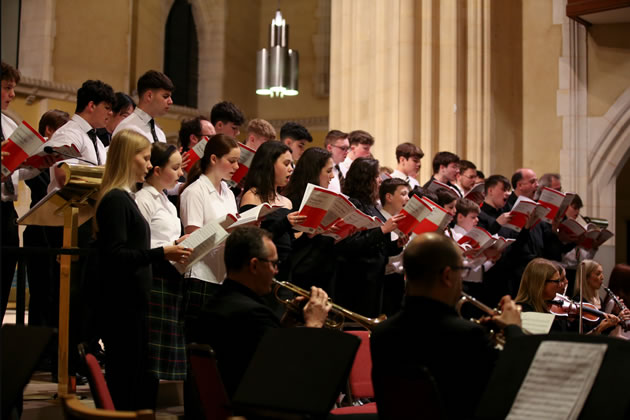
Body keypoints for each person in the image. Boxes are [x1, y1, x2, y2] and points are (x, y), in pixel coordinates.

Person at [370, 232, 522, 420]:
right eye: (462, 271)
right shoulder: (467, 337)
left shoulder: (381, 333)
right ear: (447, 275)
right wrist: (514, 329)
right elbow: (512, 384)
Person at [95, 129, 191, 410]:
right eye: (145, 158)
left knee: (137, 375)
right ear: (128, 158)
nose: (150, 165)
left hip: (134, 299)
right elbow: (115, 254)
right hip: (122, 301)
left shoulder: (123, 198)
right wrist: (164, 251)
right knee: (126, 378)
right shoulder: (116, 199)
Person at [189, 226, 331, 397]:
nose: (276, 271)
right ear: (254, 265)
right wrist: (314, 324)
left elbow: (261, 353)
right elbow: (294, 371)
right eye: (274, 264)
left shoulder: (216, 304)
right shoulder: (252, 314)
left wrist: (285, 325)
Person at [135, 142, 189, 384]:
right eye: (175, 167)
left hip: (170, 275)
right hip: (154, 275)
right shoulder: (143, 198)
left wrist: (181, 241)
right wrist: (169, 248)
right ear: (156, 170)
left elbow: (164, 237)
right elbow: (141, 244)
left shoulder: (166, 201)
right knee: (149, 356)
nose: (181, 173)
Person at [335, 157, 406, 317]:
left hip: (374, 277)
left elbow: (380, 248)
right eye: (376, 176)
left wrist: (396, 246)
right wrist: (383, 230)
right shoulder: (352, 205)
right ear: (365, 180)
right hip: (357, 279)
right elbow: (350, 244)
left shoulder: (371, 206)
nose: (380, 180)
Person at [180, 134, 240, 318]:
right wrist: (225, 233)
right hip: (200, 275)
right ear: (214, 159)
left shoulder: (228, 193)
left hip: (222, 274)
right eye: (232, 161)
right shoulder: (194, 192)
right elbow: (193, 240)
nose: (236, 167)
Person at [240, 141, 305, 272]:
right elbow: (251, 241)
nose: (291, 169)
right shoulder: (252, 196)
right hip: (262, 268)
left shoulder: (287, 202)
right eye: (286, 164)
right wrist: (285, 223)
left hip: (286, 267)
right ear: (269, 165)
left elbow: (289, 243)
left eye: (291, 164)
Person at [282, 147, 336, 292]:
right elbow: (289, 244)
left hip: (323, 271)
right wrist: (310, 234)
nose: (332, 177)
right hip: (303, 276)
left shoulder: (324, 198)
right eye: (328, 171)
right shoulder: (292, 200)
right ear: (314, 171)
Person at [47, 79, 116, 191]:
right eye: (107, 108)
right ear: (92, 106)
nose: (111, 113)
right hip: (68, 206)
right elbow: (64, 175)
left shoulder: (96, 140)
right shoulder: (68, 134)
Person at [378, 178, 411, 316]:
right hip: (383, 284)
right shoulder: (378, 220)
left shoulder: (403, 220)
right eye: (403, 194)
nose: (408, 199)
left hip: (399, 281)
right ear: (389, 197)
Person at [113, 70, 174, 143]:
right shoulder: (127, 129)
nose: (171, 101)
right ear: (149, 96)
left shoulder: (160, 133)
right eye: (165, 96)